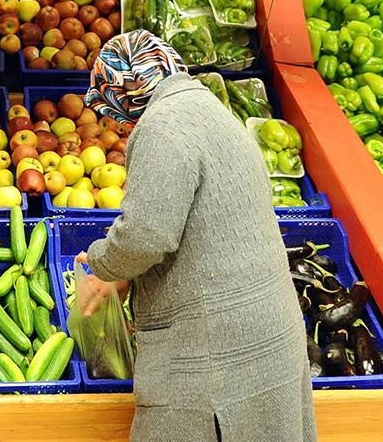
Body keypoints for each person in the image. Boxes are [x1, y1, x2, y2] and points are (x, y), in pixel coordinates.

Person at [75, 29, 317, 442]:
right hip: (268, 335)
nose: (115, 122)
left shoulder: (162, 126)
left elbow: (145, 235)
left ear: (124, 92)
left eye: (111, 108)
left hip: (215, 350)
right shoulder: (211, 109)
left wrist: (103, 263)